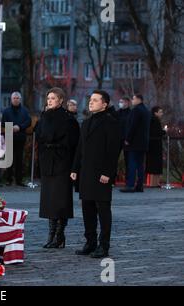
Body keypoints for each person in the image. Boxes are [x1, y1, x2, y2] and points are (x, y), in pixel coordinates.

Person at [71, 90, 121, 258]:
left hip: (101, 174)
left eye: (95, 100)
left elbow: (113, 150)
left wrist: (108, 172)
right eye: (90, 100)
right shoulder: (86, 122)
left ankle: (103, 245)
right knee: (87, 209)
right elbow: (80, 148)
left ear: (104, 104)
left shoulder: (111, 122)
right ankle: (90, 242)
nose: (90, 103)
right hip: (86, 173)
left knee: (103, 210)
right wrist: (74, 169)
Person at [36, 88, 80, 249]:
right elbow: (39, 138)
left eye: (53, 98)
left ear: (61, 100)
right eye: (48, 98)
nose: (49, 101)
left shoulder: (68, 119)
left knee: (61, 201)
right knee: (49, 201)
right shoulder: (44, 117)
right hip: (48, 163)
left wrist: (73, 167)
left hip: (63, 164)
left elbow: (74, 145)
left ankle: (60, 234)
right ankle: (51, 234)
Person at [120, 94, 151, 193]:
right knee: (140, 165)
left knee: (132, 163)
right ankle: (139, 186)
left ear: (138, 99)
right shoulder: (146, 110)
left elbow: (132, 126)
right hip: (143, 142)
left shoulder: (136, 110)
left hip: (134, 142)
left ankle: (130, 185)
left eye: (133, 99)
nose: (132, 101)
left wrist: (127, 139)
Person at [2, 92, 32, 186]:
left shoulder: (25, 110)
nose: (15, 99)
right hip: (9, 138)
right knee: (9, 160)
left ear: (20, 99)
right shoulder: (6, 111)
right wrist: (12, 127)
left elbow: (28, 122)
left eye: (17, 98)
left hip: (20, 138)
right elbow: (3, 123)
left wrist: (19, 127)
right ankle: (9, 179)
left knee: (19, 160)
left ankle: (19, 180)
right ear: (11, 99)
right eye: (14, 98)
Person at [146, 106, 167, 187]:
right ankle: (154, 183)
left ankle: (154, 183)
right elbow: (157, 133)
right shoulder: (155, 121)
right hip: (155, 145)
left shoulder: (151, 120)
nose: (162, 114)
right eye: (160, 112)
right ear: (155, 113)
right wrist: (164, 131)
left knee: (153, 164)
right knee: (155, 164)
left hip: (151, 145)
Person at [117, 97, 131, 181]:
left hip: (127, 140)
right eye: (120, 101)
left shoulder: (131, 113)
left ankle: (128, 180)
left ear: (127, 103)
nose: (120, 103)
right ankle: (112, 180)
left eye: (122, 102)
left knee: (128, 160)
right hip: (118, 139)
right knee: (114, 159)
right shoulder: (117, 113)